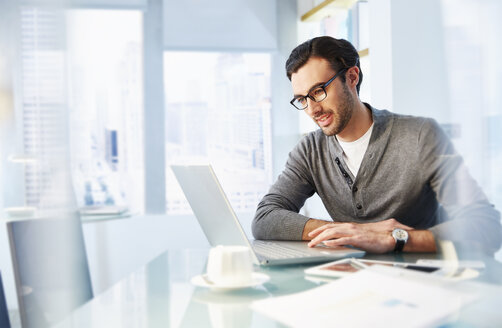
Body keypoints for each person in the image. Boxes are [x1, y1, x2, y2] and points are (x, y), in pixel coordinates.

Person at [252, 36, 502, 254]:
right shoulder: (309, 150)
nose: (312, 109)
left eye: (318, 91)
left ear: (351, 77)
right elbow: (265, 217)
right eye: (302, 99)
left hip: (423, 281)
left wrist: (396, 238)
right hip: (351, 280)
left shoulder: (420, 135)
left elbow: (485, 225)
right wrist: (349, 232)